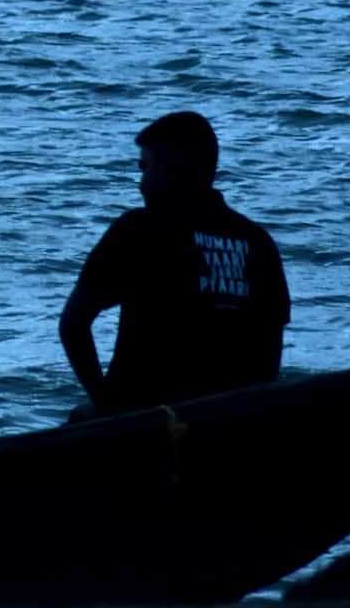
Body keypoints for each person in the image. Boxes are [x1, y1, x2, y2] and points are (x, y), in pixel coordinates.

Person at [60, 111, 290, 419]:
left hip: (144, 422)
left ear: (174, 169)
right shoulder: (257, 243)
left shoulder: (139, 230)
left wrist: (106, 405)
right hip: (230, 423)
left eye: (147, 168)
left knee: (80, 418)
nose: (141, 184)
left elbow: (73, 325)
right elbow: (268, 358)